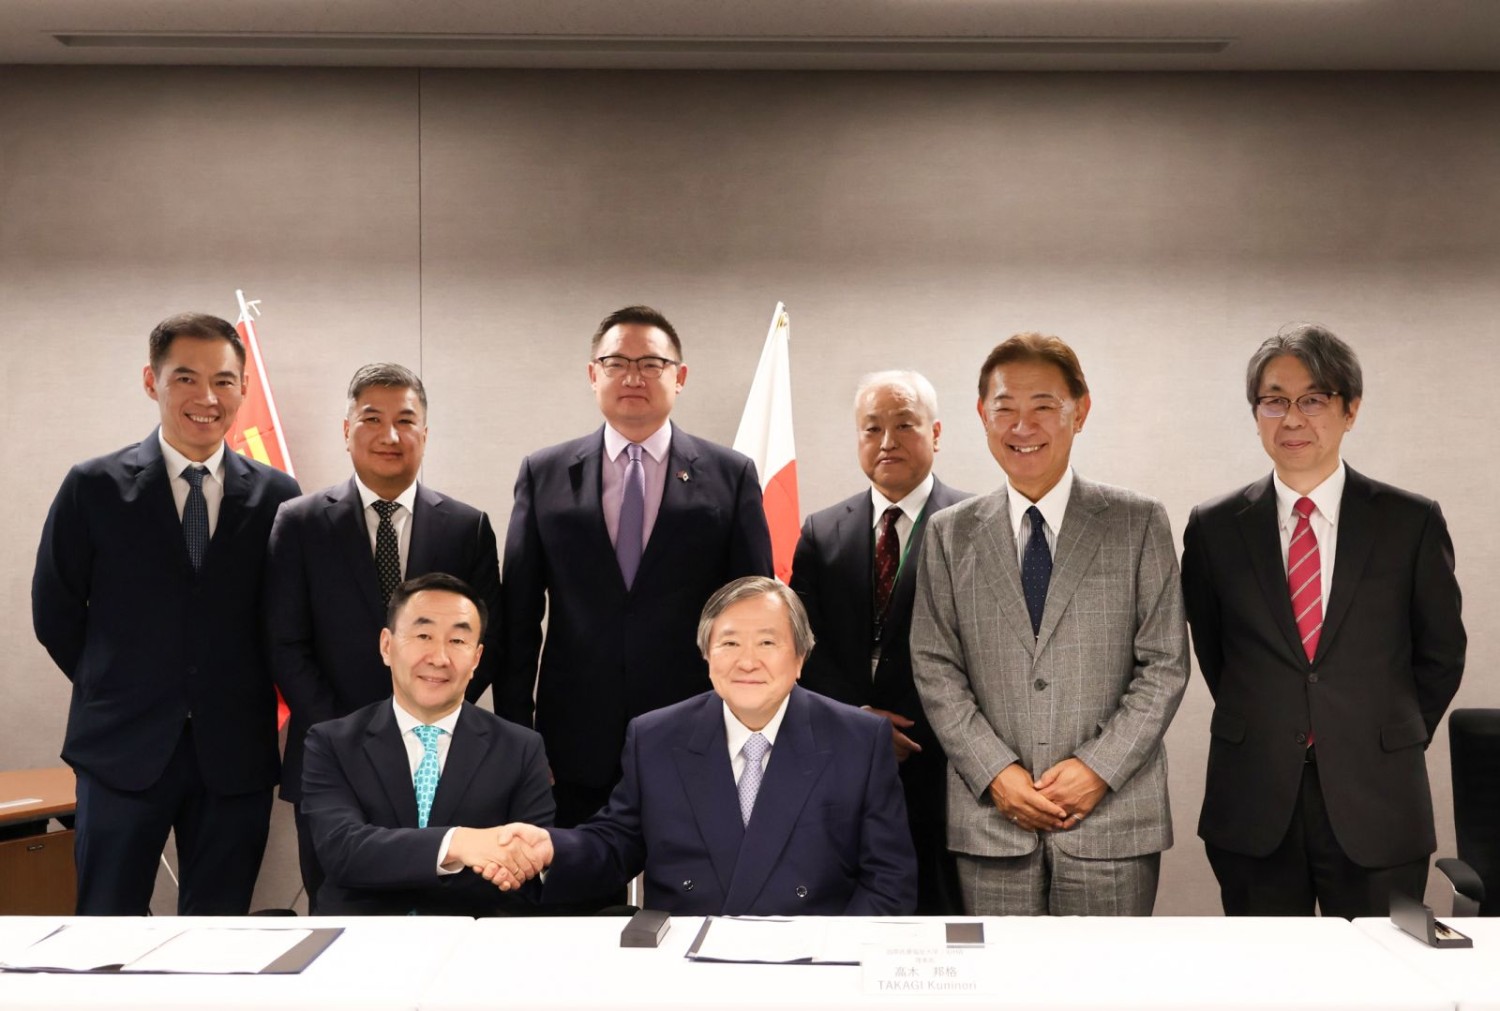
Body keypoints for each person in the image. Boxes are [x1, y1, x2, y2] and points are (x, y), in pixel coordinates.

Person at [1182, 323, 1465, 918]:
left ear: (1350, 409)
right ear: (1255, 413)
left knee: (1381, 970)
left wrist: (1384, 735)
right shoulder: (1213, 528)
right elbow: (1215, 652)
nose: (1292, 419)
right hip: (1255, 796)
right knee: (1266, 970)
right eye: (1274, 401)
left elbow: (1440, 654)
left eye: (1312, 400)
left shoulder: (1409, 522)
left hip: (1378, 796)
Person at [32, 312, 302, 915]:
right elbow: (55, 612)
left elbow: (286, 622)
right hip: (120, 749)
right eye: (186, 378)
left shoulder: (279, 497)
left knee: (218, 938)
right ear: (151, 381)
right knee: (105, 929)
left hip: (234, 754)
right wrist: (122, 683)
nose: (207, 397)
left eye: (223, 381)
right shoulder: (93, 486)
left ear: (244, 388)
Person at [910, 332, 1188, 916]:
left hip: (1112, 821)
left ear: (1079, 412)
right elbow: (935, 667)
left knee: (1106, 975)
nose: (1022, 426)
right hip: (992, 822)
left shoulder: (1138, 522)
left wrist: (1097, 770)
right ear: (982, 415)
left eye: (1043, 406)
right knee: (1001, 975)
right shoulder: (949, 533)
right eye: (1005, 408)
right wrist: (996, 773)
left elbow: (1164, 665)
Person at [483, 576, 916, 915]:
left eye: (767, 642)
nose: (747, 661)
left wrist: (830, 957)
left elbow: (889, 878)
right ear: (706, 655)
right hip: (688, 960)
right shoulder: (655, 737)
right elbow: (616, 844)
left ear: (801, 657)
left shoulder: (859, 739)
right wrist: (552, 849)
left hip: (812, 964)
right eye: (729, 643)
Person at [500, 305, 774, 830]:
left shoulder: (730, 475)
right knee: (579, 874)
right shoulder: (544, 473)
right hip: (572, 737)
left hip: (696, 729)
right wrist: (518, 734)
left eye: (651, 363)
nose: (632, 377)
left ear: (680, 376)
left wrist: (749, 727)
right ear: (593, 374)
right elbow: (518, 617)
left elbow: (754, 612)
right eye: (616, 363)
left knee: (693, 873)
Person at [266, 362, 503, 911]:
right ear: (346, 429)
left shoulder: (466, 527)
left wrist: (426, 721)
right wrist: (351, 738)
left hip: (440, 757)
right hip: (332, 756)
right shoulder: (299, 522)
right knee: (339, 915)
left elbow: (487, 643)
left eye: (406, 420)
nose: (390, 435)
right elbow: (284, 644)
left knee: (446, 913)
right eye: (372, 419)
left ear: (426, 432)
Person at [790, 370, 971, 914]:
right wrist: (856, 722)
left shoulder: (975, 524)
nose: (887, 441)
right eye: (872, 428)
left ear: (935, 433)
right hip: (843, 762)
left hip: (946, 765)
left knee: (942, 922)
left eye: (905, 425)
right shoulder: (822, 530)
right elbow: (802, 646)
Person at [301, 572, 554, 915]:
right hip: (364, 937)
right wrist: (459, 843)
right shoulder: (332, 742)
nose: (439, 657)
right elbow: (342, 851)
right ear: (387, 646)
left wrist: (507, 862)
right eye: (423, 635)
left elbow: (524, 865)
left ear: (477, 658)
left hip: (474, 934)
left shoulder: (521, 748)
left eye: (458, 641)